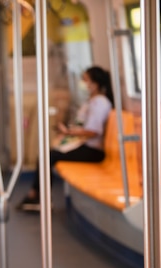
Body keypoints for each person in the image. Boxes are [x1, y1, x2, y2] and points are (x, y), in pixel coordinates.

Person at [17, 66, 114, 211]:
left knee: (48, 157)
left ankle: (37, 196)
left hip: (92, 150)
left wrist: (69, 133)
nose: (82, 83)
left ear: (95, 83)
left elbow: (93, 131)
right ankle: (37, 195)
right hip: (83, 146)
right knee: (47, 155)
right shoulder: (91, 102)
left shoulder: (100, 103)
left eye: (85, 80)